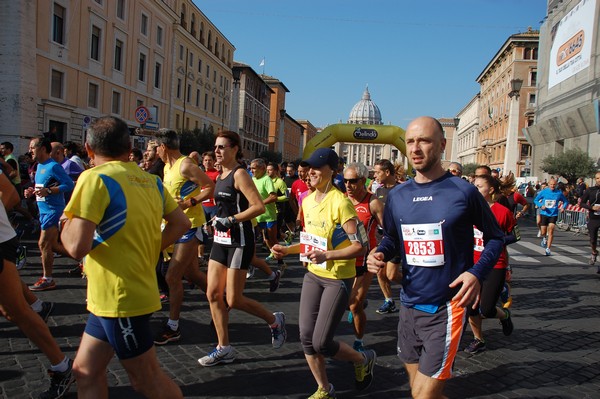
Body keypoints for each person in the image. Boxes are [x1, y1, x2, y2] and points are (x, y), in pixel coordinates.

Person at [366, 116, 503, 399]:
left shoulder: (463, 191)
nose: (416, 148)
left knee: (421, 396)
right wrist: (379, 252)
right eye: (411, 141)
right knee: (423, 392)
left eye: (424, 141)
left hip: (447, 306)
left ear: (441, 145)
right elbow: (392, 238)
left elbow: (496, 238)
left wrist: (476, 273)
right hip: (409, 304)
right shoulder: (399, 195)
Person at [60, 116, 189, 398]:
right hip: (110, 296)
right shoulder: (150, 181)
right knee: (85, 372)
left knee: (146, 381)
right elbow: (181, 224)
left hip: (120, 298)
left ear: (88, 149)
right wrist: (149, 247)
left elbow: (75, 248)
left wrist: (64, 223)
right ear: (129, 146)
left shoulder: (94, 178)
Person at [271, 148, 376, 399]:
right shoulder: (307, 201)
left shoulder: (341, 203)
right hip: (313, 274)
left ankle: (362, 359)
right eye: (309, 167)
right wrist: (287, 249)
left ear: (332, 171)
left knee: (321, 342)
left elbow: (360, 246)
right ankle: (324, 389)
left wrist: (327, 255)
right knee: (306, 337)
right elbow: (312, 244)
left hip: (338, 278)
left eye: (317, 168)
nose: (311, 172)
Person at [199, 130, 286, 367]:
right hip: (220, 239)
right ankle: (224, 347)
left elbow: (258, 207)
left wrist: (232, 220)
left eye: (221, 147)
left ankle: (274, 321)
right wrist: (215, 221)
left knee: (233, 299)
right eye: (215, 147)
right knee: (212, 294)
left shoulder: (239, 175)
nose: (216, 151)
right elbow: (223, 207)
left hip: (240, 240)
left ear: (235, 149)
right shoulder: (220, 175)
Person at [0, 170, 74, 399]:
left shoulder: (54, 166)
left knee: (15, 311)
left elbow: (11, 195)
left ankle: (62, 366)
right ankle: (39, 307)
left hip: (4, 240)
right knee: (12, 310)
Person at [152, 129, 214, 345]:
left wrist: (189, 203)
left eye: (155, 147)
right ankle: (221, 300)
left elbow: (209, 187)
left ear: (163, 147)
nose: (154, 151)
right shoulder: (168, 167)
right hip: (172, 225)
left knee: (172, 276)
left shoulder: (185, 165)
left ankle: (173, 326)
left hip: (190, 226)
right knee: (193, 274)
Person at [464, 174, 516, 354]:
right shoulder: (468, 209)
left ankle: (504, 314)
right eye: (473, 185)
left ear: (491, 190)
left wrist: (497, 240)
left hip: (495, 264)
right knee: (470, 307)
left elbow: (514, 235)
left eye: (479, 186)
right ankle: (479, 339)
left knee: (485, 309)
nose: (475, 189)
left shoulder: (503, 212)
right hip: (472, 264)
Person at [24, 137, 74, 291]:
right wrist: (32, 191)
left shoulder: (53, 166)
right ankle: (85, 258)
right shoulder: (39, 166)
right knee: (53, 246)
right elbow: (42, 186)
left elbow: (69, 184)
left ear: (43, 149)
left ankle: (48, 279)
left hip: (54, 210)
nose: (29, 150)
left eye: (32, 147)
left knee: (43, 243)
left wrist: (50, 191)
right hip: (43, 211)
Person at [344, 162, 384, 352]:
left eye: (352, 182)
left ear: (363, 180)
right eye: (345, 181)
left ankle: (359, 341)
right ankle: (359, 302)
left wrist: (381, 251)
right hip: (344, 260)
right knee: (346, 302)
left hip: (365, 261)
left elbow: (389, 231)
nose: (348, 186)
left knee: (354, 305)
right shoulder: (341, 200)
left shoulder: (373, 202)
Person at [372, 159, 400, 314]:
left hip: (396, 238)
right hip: (381, 236)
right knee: (380, 272)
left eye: (377, 172)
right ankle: (389, 301)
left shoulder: (402, 190)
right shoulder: (379, 191)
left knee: (391, 274)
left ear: (387, 172)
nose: (375, 175)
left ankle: (414, 288)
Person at [534, 178, 568, 256]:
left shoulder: (558, 193)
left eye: (554, 185)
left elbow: (565, 201)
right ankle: (544, 238)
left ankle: (548, 248)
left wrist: (563, 207)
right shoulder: (544, 192)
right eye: (551, 184)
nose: (552, 186)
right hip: (544, 213)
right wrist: (540, 205)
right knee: (543, 232)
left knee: (551, 230)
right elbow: (536, 200)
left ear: (556, 185)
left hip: (553, 214)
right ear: (548, 185)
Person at [579, 171, 600, 269]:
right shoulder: (590, 190)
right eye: (597, 178)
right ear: (595, 179)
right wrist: (591, 208)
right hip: (593, 218)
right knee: (593, 240)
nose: (599, 180)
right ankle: (594, 252)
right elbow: (581, 203)